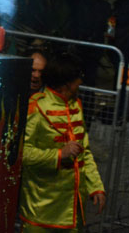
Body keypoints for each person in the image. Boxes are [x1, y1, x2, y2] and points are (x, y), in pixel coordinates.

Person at [20, 51, 105, 230]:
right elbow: (23, 153)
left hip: (73, 210)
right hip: (41, 210)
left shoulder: (76, 105)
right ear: (67, 82)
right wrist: (59, 154)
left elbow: (85, 152)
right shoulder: (37, 106)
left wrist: (96, 187)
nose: (81, 82)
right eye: (78, 77)